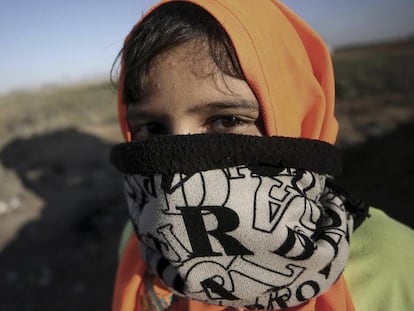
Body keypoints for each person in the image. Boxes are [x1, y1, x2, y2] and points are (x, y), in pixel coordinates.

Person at [109, 1, 414, 310]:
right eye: (151, 127)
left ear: (300, 119)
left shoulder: (393, 262)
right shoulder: (139, 241)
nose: (176, 173)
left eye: (226, 121)